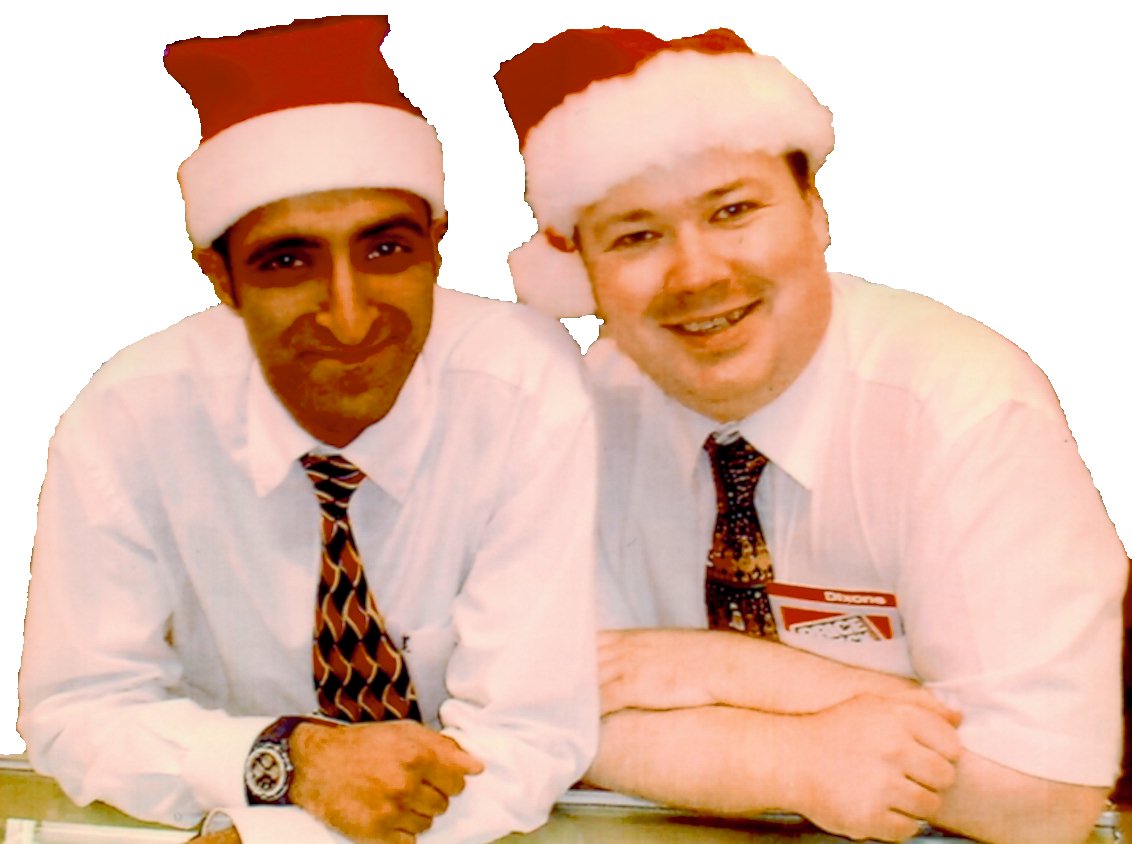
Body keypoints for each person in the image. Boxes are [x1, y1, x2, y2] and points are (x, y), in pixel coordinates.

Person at [495, 25, 1127, 844]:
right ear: (584, 268)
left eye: (733, 210)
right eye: (636, 235)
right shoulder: (576, 415)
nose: (698, 273)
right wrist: (786, 760)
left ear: (816, 213)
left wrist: (719, 668)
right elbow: (531, 714)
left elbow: (1043, 796)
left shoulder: (962, 407)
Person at [18, 16, 598, 844]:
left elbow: (529, 733)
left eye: (385, 250)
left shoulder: (523, 390)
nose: (349, 317)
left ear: (437, 246)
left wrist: (275, 835)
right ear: (220, 277)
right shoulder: (129, 421)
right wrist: (290, 762)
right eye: (287, 261)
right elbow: (78, 709)